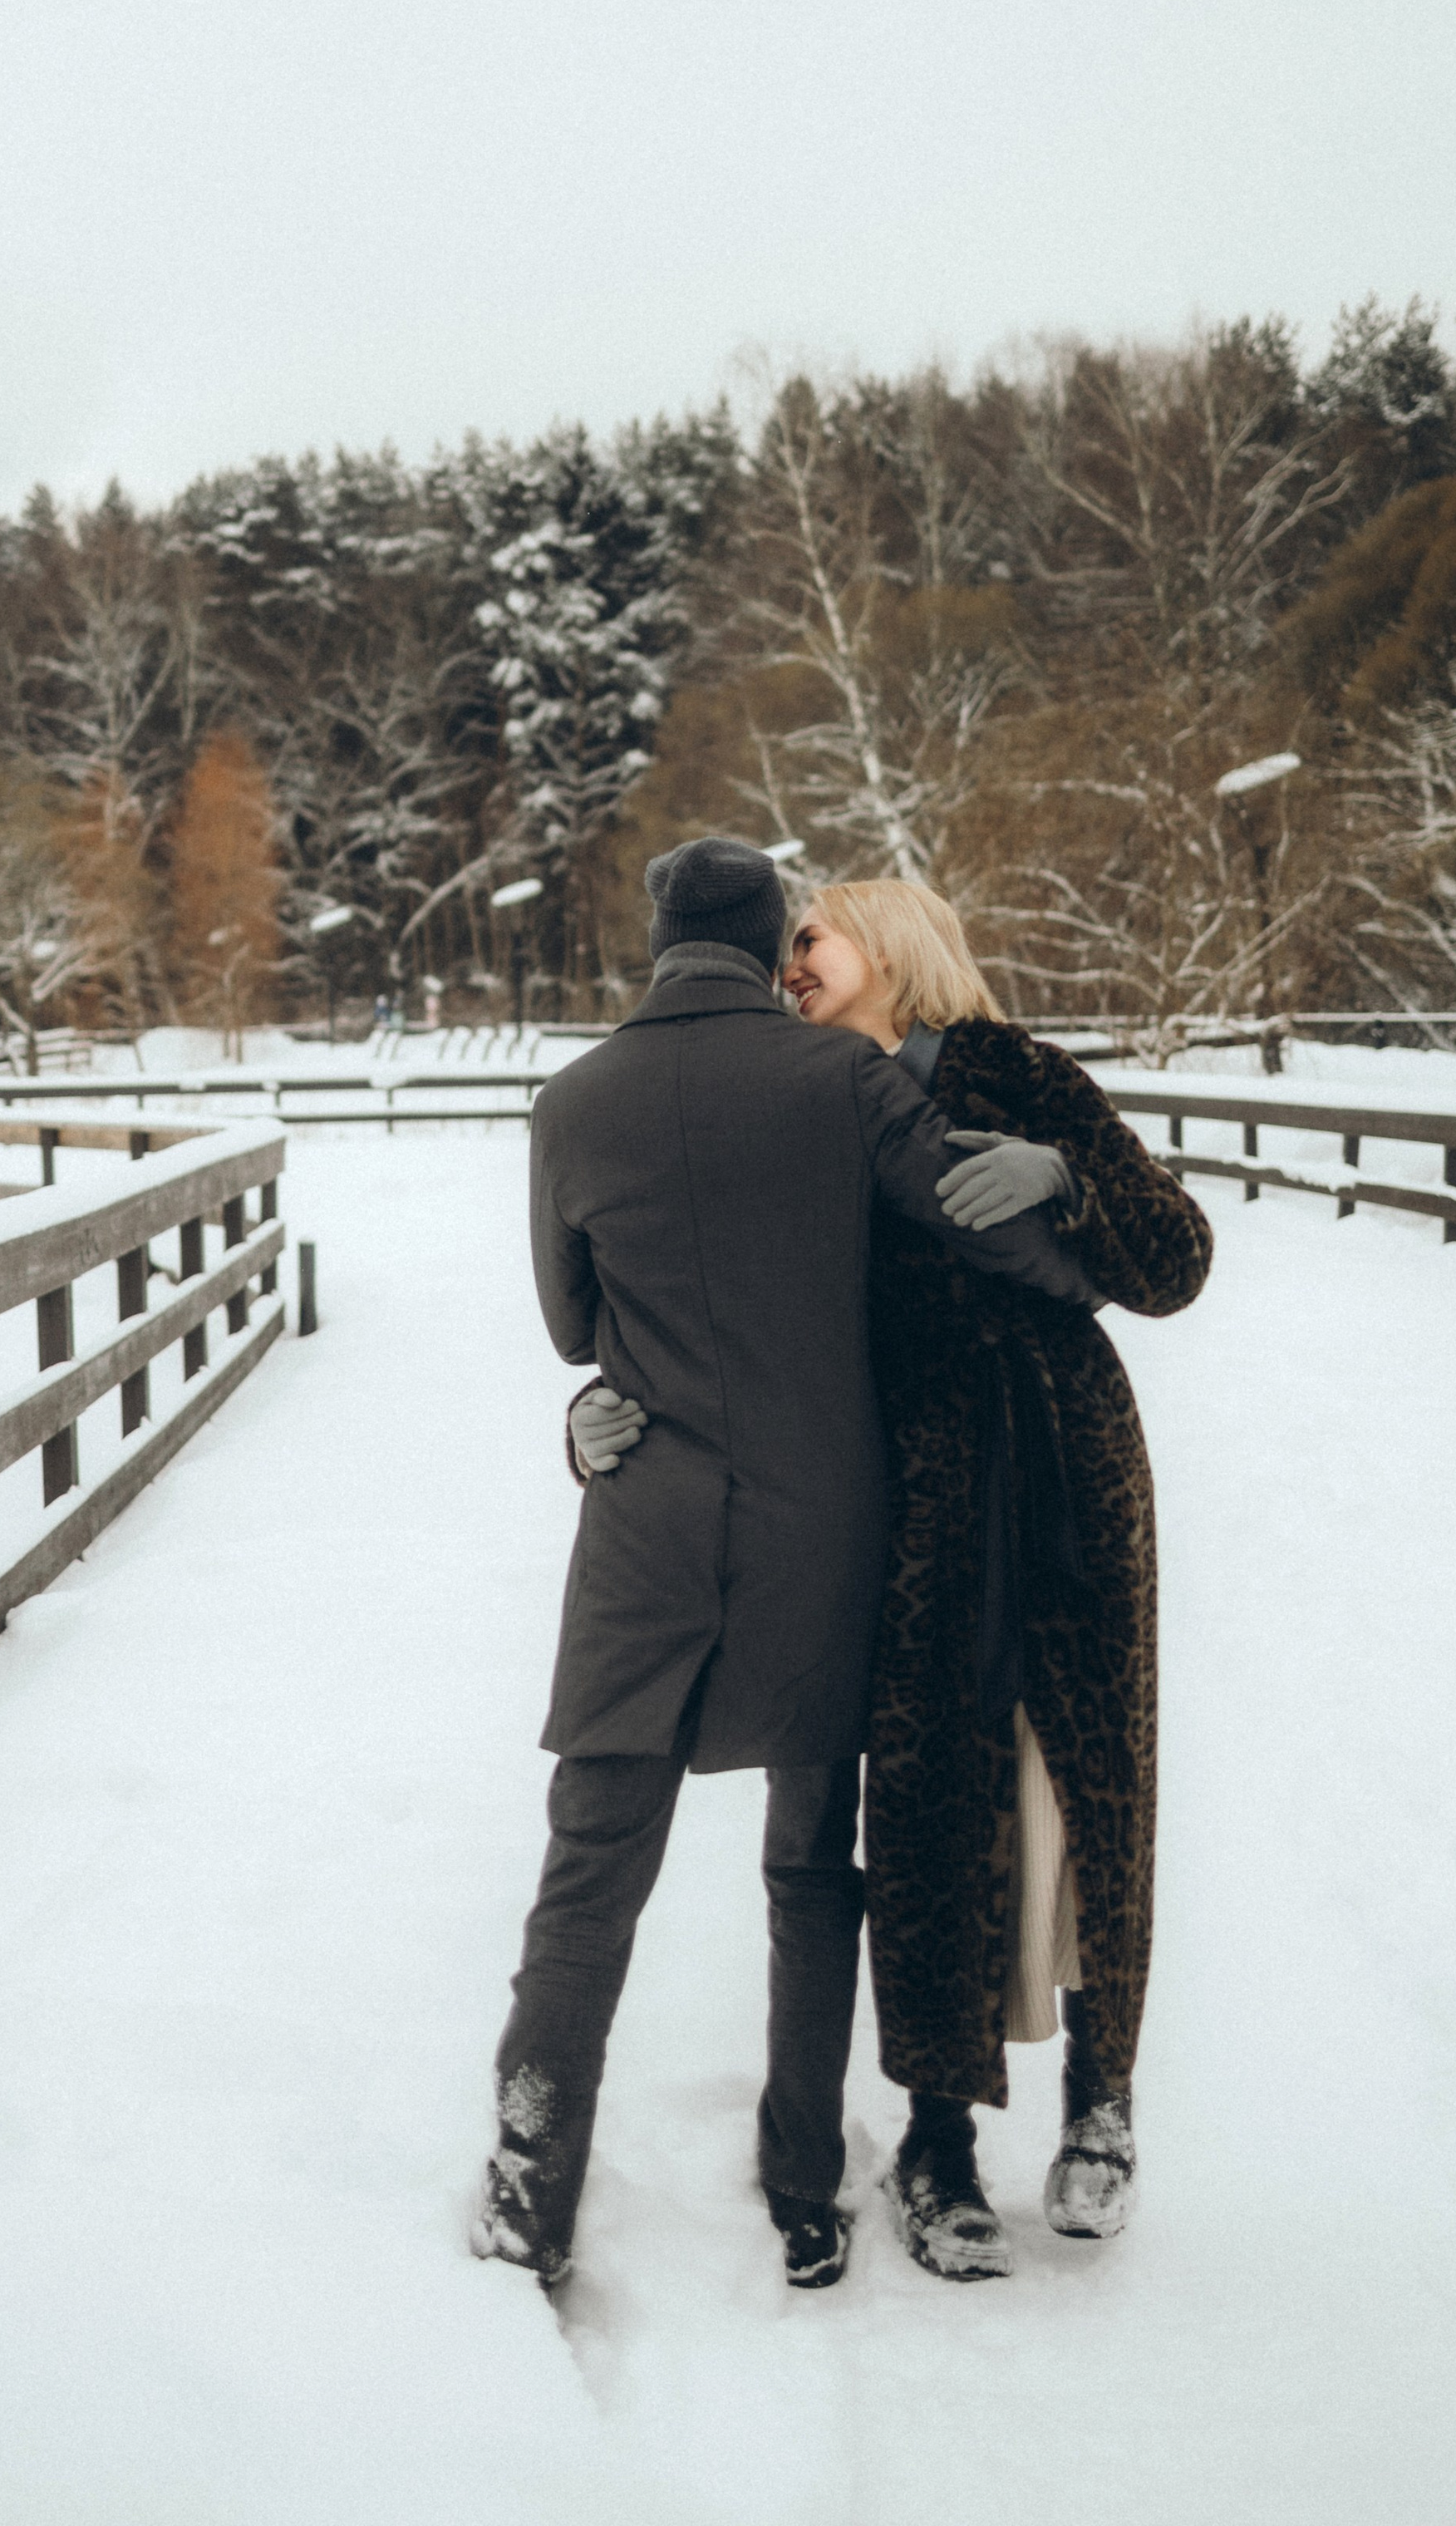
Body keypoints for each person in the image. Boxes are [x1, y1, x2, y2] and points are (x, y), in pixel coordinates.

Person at [471, 836, 1101, 2296]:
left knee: (588, 1877)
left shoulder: (570, 1104)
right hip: (830, 1539)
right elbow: (974, 1214)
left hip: (648, 1536)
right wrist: (1082, 1215)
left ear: (653, 943)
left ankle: (529, 2185)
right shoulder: (844, 1082)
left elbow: (577, 1331)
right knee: (815, 1869)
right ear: (769, 948)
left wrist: (596, 1411)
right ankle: (804, 2182)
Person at [787, 878, 1212, 2277]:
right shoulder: (814, 1107)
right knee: (928, 1803)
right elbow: (740, 1307)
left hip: (1070, 1471)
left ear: (890, 944)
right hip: (916, 1502)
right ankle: (938, 2141)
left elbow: (1176, 1257)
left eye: (811, 934)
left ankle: (1105, 2108)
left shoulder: (1019, 1072)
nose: (790, 960)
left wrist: (1070, 1181)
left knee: (1085, 1784)